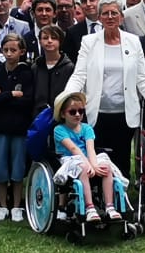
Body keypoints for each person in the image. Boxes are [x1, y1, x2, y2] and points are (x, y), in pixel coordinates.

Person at [62, 0, 145, 167]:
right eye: (105, 14)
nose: (110, 17)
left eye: (114, 13)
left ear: (121, 17)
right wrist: (66, 99)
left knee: (122, 162)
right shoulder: (89, 42)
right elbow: (79, 75)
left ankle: (121, 193)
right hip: (97, 113)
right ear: (100, 18)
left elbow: (143, 79)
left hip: (125, 115)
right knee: (98, 161)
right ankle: (100, 194)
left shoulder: (133, 41)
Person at [0, 32, 35, 222]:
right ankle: (2, 205)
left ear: (21, 51)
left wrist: (2, 95)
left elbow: (27, 101)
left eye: (13, 50)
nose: (9, 53)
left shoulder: (27, 73)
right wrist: (11, 94)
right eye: (5, 50)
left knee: (18, 167)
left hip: (19, 128)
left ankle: (16, 206)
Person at [52, 89, 121, 223]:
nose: (77, 114)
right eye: (72, 112)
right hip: (69, 160)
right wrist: (89, 165)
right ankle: (90, 208)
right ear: (63, 114)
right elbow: (73, 148)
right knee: (83, 167)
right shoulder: (59, 130)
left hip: (87, 158)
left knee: (105, 166)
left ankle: (110, 206)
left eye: (81, 111)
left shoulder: (87, 128)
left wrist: (94, 165)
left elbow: (90, 148)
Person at [31, 23, 75, 116]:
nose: (49, 41)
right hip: (39, 117)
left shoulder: (69, 67)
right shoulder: (36, 67)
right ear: (40, 41)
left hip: (62, 116)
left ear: (60, 41)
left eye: (54, 38)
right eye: (45, 38)